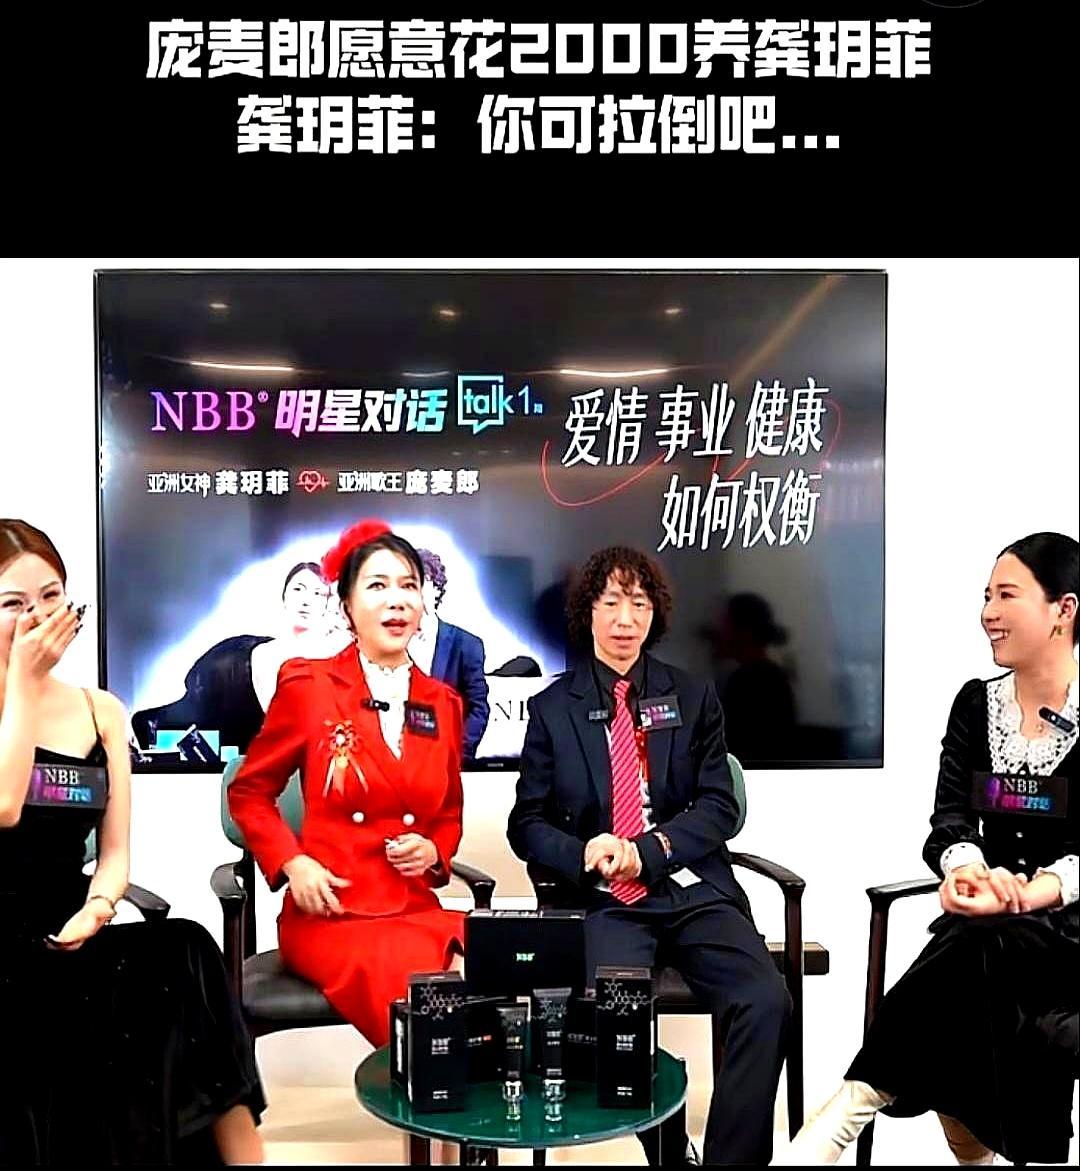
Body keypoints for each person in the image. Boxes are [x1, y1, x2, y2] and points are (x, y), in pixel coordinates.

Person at [780, 532, 1079, 1166]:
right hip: (984, 923)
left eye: (1006, 595)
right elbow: (949, 819)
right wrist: (969, 871)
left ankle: (849, 1109)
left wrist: (1032, 892)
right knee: (980, 951)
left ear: (1063, 610)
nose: (988, 613)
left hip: (1067, 930)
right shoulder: (977, 704)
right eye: (986, 596)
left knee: (976, 958)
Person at [507, 545, 791, 1166]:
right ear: (588, 612)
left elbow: (718, 805)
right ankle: (669, 1154)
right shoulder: (552, 710)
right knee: (615, 1017)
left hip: (692, 890)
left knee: (765, 999)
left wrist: (652, 849)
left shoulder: (692, 696)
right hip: (606, 901)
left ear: (654, 613)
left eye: (638, 603)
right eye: (611, 602)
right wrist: (585, 851)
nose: (624, 618)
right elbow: (525, 824)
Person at [0, 519, 264, 1165]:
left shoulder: (102, 711)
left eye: (50, 596)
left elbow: (114, 851)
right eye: (13, 603)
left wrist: (98, 906)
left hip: (69, 927)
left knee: (186, 951)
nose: (37, 617)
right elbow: (4, 807)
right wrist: (23, 685)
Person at [227, 519, 466, 1046]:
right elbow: (249, 793)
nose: (397, 600)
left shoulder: (443, 704)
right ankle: (433, 1092)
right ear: (347, 605)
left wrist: (434, 851)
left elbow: (449, 814)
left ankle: (446, 1096)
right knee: (425, 997)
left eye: (408, 585)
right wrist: (293, 863)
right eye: (378, 586)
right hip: (332, 913)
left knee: (495, 970)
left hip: (411, 906)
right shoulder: (309, 686)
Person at [132, 561, 343, 756]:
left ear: (328, 603)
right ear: (285, 595)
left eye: (318, 593)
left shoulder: (331, 654)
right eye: (298, 589)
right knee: (185, 721)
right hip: (232, 672)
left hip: (252, 738)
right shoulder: (261, 653)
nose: (306, 600)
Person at [410, 548, 490, 762]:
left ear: (436, 588)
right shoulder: (389, 643)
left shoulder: (466, 645)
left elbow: (478, 708)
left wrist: (456, 755)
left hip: (447, 762)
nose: (413, 592)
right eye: (407, 585)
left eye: (420, 582)